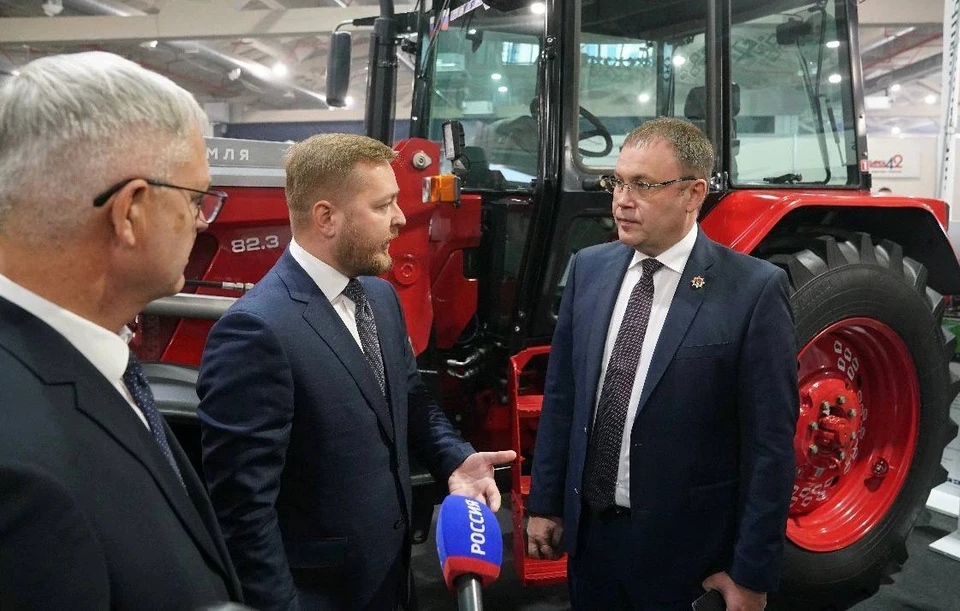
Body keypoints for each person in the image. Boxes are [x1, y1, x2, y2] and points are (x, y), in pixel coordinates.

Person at [197, 132, 516, 611]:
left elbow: (409, 399)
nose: (400, 218)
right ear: (326, 217)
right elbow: (243, 514)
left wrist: (454, 458)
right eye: (383, 204)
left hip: (388, 576)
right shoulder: (256, 331)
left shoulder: (379, 298)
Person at [0, 52, 241, 609]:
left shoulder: (79, 368)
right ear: (130, 210)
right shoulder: (19, 469)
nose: (204, 220)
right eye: (196, 198)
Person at [525, 118, 798, 610]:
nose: (622, 200)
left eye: (644, 186)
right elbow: (563, 399)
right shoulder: (589, 268)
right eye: (618, 182)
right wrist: (545, 503)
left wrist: (752, 574)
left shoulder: (753, 290)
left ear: (693, 194)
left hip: (688, 558)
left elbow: (769, 449)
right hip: (592, 541)